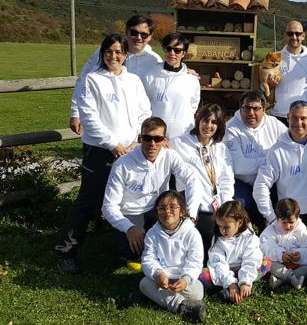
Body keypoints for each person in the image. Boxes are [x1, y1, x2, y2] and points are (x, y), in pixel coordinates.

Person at [55, 34, 151, 274]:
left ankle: (124, 247)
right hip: (100, 151)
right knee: (87, 201)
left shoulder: (134, 81)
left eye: (119, 52)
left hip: (130, 150)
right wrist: (113, 144)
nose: (113, 56)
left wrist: (134, 141)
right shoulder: (92, 79)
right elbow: (89, 117)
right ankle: (66, 252)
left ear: (126, 55)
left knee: (125, 200)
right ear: (102, 54)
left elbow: (144, 112)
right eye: (109, 51)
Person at [101, 117, 202, 265]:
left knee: (175, 237)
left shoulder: (170, 156)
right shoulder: (122, 164)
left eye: (158, 138)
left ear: (164, 140)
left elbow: (192, 180)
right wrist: (129, 228)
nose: (152, 144)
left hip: (158, 209)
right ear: (140, 138)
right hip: (131, 213)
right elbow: (108, 206)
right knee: (130, 250)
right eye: (147, 138)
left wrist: (191, 216)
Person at [69, 15, 162, 135]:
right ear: (126, 32)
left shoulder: (154, 61)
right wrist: (75, 113)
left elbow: (166, 80)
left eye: (144, 34)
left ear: (150, 36)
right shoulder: (104, 53)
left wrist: (185, 71)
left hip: (134, 129)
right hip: (102, 123)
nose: (138, 37)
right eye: (134, 32)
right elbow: (83, 81)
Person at [170, 103, 234, 263]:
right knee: (206, 241)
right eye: (205, 120)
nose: (209, 126)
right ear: (198, 119)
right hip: (193, 207)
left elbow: (227, 179)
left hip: (216, 205)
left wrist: (226, 207)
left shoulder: (221, 148)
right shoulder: (179, 144)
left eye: (214, 122)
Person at [139, 190, 205, 322]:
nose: (167, 211)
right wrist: (158, 273)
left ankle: (163, 299)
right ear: (157, 212)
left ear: (182, 212)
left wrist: (186, 279)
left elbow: (195, 261)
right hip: (161, 279)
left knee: (197, 291)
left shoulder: (192, 233)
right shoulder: (152, 233)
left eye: (173, 207)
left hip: (183, 279)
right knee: (145, 284)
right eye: (162, 208)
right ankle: (182, 306)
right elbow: (148, 259)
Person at [224, 90, 287, 226]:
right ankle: (256, 222)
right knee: (242, 204)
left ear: (264, 109)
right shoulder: (231, 128)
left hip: (270, 180)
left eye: (256, 108)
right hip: (242, 181)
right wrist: (269, 162)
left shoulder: (274, 124)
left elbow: (290, 142)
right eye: (247, 108)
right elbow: (238, 166)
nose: (251, 113)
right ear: (240, 109)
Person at [253, 100, 307, 223]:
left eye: (303, 118)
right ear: (287, 118)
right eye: (294, 118)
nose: (298, 123)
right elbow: (261, 185)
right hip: (289, 214)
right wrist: (271, 217)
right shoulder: (276, 151)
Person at [203, 201, 268, 305]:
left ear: (240, 223)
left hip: (243, 269)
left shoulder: (249, 237)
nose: (222, 230)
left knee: (266, 262)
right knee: (203, 275)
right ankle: (230, 287)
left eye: (226, 227)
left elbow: (251, 259)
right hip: (225, 271)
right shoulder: (218, 239)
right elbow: (218, 263)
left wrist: (245, 282)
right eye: (220, 226)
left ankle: (243, 286)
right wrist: (231, 283)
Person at [142, 33, 200, 140]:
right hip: (156, 138)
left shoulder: (191, 79)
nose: (172, 53)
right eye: (168, 49)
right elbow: (144, 107)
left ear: (184, 53)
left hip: (183, 137)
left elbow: (193, 106)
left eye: (177, 50)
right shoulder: (150, 76)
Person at [271, 20, 307, 125]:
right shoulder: (275, 57)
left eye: (298, 34)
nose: (294, 37)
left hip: (302, 118)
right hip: (278, 116)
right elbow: (264, 85)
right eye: (290, 33)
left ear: (303, 36)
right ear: (285, 35)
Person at [259, 198, 307, 290]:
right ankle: (291, 277)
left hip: (296, 264)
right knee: (265, 263)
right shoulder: (271, 230)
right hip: (278, 264)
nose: (288, 226)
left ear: (297, 218)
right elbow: (265, 247)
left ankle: (281, 280)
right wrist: (281, 255)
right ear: (277, 219)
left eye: (291, 222)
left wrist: (300, 255)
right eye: (284, 222)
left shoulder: (301, 230)